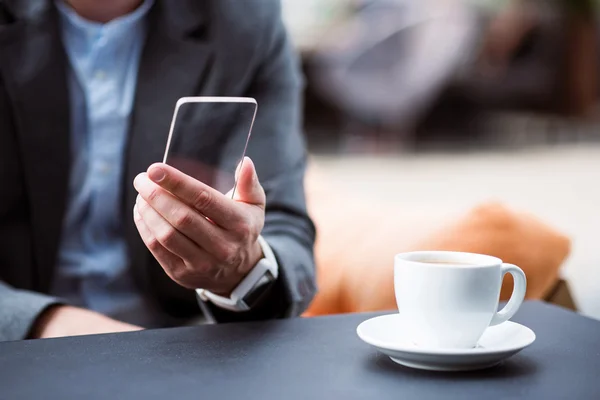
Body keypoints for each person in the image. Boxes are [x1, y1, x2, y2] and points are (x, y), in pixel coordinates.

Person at [0, 0, 316, 341]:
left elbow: (285, 230)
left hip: (179, 350)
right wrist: (48, 324)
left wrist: (240, 269)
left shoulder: (245, 21)